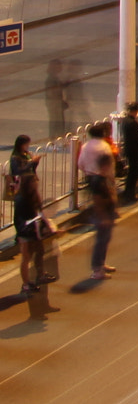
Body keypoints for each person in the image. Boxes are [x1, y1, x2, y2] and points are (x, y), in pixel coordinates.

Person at [10, 147, 58, 319]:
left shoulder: (32, 197)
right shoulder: (21, 199)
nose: (36, 185)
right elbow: (21, 220)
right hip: (26, 232)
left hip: (34, 230)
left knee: (39, 252)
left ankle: (39, 274)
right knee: (26, 257)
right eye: (34, 184)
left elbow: (39, 213)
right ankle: (26, 283)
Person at [76, 120, 118, 278]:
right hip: (101, 183)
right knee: (103, 231)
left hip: (90, 180)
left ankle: (100, 263)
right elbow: (110, 170)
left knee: (103, 232)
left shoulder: (86, 146)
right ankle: (97, 267)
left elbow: (80, 164)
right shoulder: (104, 147)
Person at [116, 103, 138, 203]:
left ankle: (128, 193)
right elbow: (136, 137)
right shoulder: (133, 123)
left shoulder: (125, 121)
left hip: (129, 150)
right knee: (133, 174)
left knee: (131, 173)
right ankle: (130, 194)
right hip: (135, 151)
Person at [43, 59, 70, 138]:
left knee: (57, 121)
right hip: (54, 104)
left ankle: (56, 137)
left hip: (55, 103)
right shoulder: (51, 79)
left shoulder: (54, 77)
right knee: (56, 121)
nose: (61, 68)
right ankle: (54, 137)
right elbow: (51, 92)